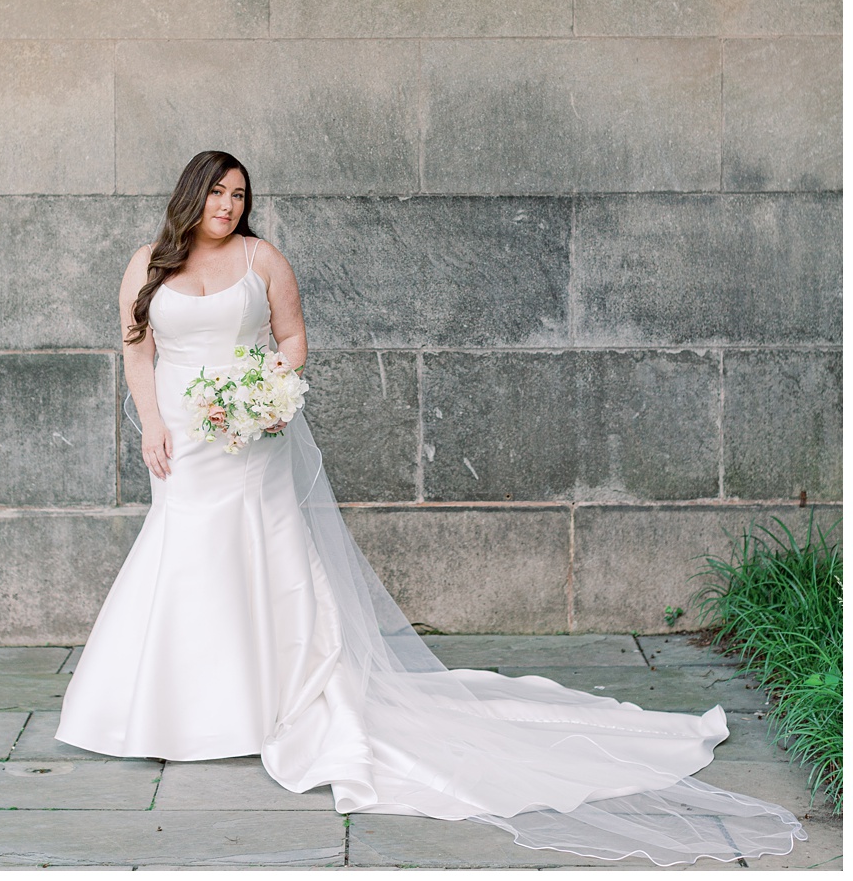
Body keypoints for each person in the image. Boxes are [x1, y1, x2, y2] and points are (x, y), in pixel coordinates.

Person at [54, 149, 803, 866]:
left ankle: (273, 699)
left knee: (262, 552)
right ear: (193, 193)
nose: (228, 205)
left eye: (239, 194)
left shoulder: (263, 259)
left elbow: (292, 336)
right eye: (218, 192)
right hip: (184, 439)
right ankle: (178, 706)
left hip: (253, 437)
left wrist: (265, 396)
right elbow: (138, 348)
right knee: (184, 555)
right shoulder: (149, 262)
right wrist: (151, 421)